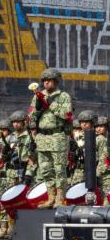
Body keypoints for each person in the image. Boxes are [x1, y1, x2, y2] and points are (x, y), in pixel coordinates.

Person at [29, 68, 72, 208]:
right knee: (45, 169)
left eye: (49, 80)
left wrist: (50, 104)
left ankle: (60, 198)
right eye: (44, 81)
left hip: (57, 136)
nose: (46, 83)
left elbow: (66, 114)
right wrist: (38, 108)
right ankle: (51, 197)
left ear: (55, 81)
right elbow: (30, 116)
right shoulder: (38, 96)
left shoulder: (63, 96)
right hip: (42, 136)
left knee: (59, 169)